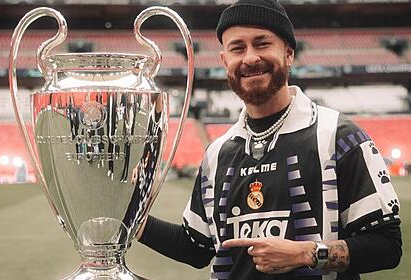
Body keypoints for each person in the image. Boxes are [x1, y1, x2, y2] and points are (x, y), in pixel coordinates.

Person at [136, 0, 402, 279]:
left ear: (288, 53)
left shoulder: (340, 136)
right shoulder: (217, 153)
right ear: (225, 61)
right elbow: (196, 247)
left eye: (262, 44)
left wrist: (306, 253)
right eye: (238, 48)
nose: (250, 58)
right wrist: (128, 218)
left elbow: (387, 246)